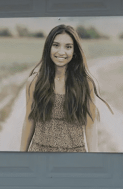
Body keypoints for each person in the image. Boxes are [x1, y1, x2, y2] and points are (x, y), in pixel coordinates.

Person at [19, 24, 108, 152]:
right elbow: (29, 120)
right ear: (48, 48)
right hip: (39, 153)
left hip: (74, 155)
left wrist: (93, 160)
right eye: (56, 45)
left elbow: (90, 125)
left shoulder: (85, 84)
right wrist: (20, 156)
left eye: (68, 47)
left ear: (74, 51)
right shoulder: (34, 81)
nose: (61, 52)